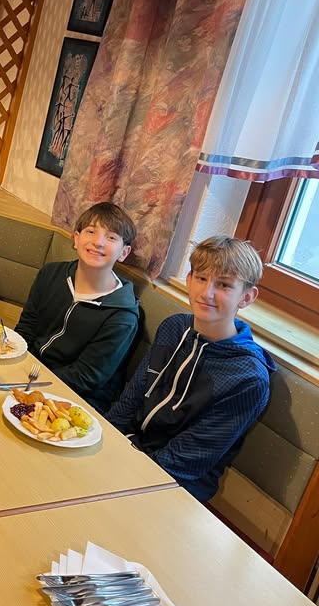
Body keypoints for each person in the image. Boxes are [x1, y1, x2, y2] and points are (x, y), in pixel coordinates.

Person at [107, 236, 275, 502]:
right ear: (189, 279)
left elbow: (187, 459)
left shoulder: (248, 377)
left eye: (223, 285)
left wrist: (118, 473)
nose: (207, 293)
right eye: (201, 278)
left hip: (176, 484)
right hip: (128, 449)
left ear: (246, 297)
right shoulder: (174, 327)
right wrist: (104, 441)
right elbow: (131, 398)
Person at [15, 202, 140, 413]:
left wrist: (29, 383)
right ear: (76, 238)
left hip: (78, 399)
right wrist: (15, 368)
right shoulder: (51, 274)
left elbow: (86, 377)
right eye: (91, 231)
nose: (98, 242)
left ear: (124, 252)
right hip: (30, 375)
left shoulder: (122, 315)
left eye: (111, 237)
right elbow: (26, 329)